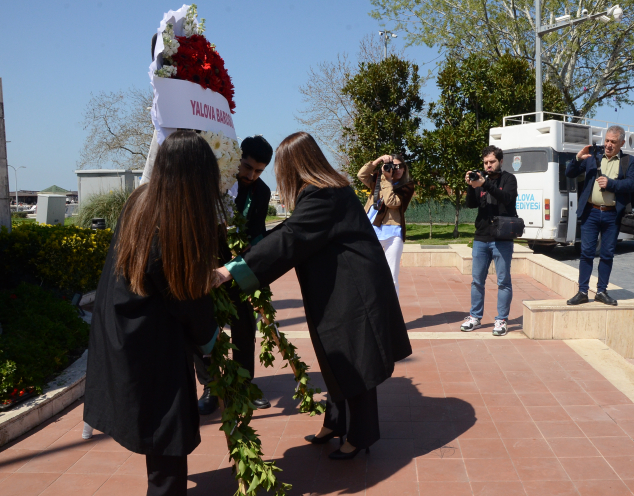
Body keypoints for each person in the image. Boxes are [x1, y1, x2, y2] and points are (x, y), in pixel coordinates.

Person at [214, 132, 412, 460]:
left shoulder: (324, 193)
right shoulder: (323, 190)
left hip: (354, 290)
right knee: (336, 356)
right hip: (338, 288)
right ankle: (335, 422)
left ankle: (360, 435)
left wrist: (230, 271)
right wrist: (246, 257)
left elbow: (292, 237)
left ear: (295, 165)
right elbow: (291, 229)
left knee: (355, 361)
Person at [84, 130, 224, 496]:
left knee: (156, 432)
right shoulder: (174, 219)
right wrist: (211, 339)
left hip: (126, 329)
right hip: (153, 342)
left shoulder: (142, 200)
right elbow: (186, 296)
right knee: (166, 435)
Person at [194, 135, 273, 415]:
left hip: (238, 268)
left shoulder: (262, 192)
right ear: (236, 159)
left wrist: (253, 246)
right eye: (247, 167)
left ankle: (244, 385)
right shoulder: (216, 183)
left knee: (244, 325)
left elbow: (258, 229)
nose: (251, 175)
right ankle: (210, 386)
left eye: (258, 171)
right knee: (204, 325)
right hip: (207, 266)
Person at [565, 125, 634, 306]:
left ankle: (601, 291)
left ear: (621, 143)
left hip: (612, 215)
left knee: (607, 254)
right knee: (586, 253)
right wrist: (577, 158)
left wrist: (611, 184)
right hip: (590, 212)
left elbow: (632, 184)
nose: (608, 145)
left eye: (613, 142)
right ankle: (582, 291)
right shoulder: (593, 157)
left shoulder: (629, 161)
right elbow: (569, 173)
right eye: (606, 140)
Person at [460, 145, 518, 336]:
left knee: (503, 281)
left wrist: (485, 184)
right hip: (481, 237)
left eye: (492, 161)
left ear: (500, 161)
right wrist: (471, 186)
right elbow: (471, 204)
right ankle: (475, 317)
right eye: (485, 162)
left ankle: (501, 320)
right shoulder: (480, 180)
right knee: (477, 281)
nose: (488, 165)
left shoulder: (509, 179)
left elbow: (506, 198)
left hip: (502, 238)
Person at [357, 153, 415, 295]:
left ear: (404, 168)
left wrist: (388, 180)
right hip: (371, 231)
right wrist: (378, 160)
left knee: (391, 277)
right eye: (394, 166)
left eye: (400, 166)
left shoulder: (407, 186)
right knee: (368, 273)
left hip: (393, 235)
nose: (398, 169)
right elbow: (361, 175)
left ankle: (392, 309)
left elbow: (391, 202)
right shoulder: (379, 179)